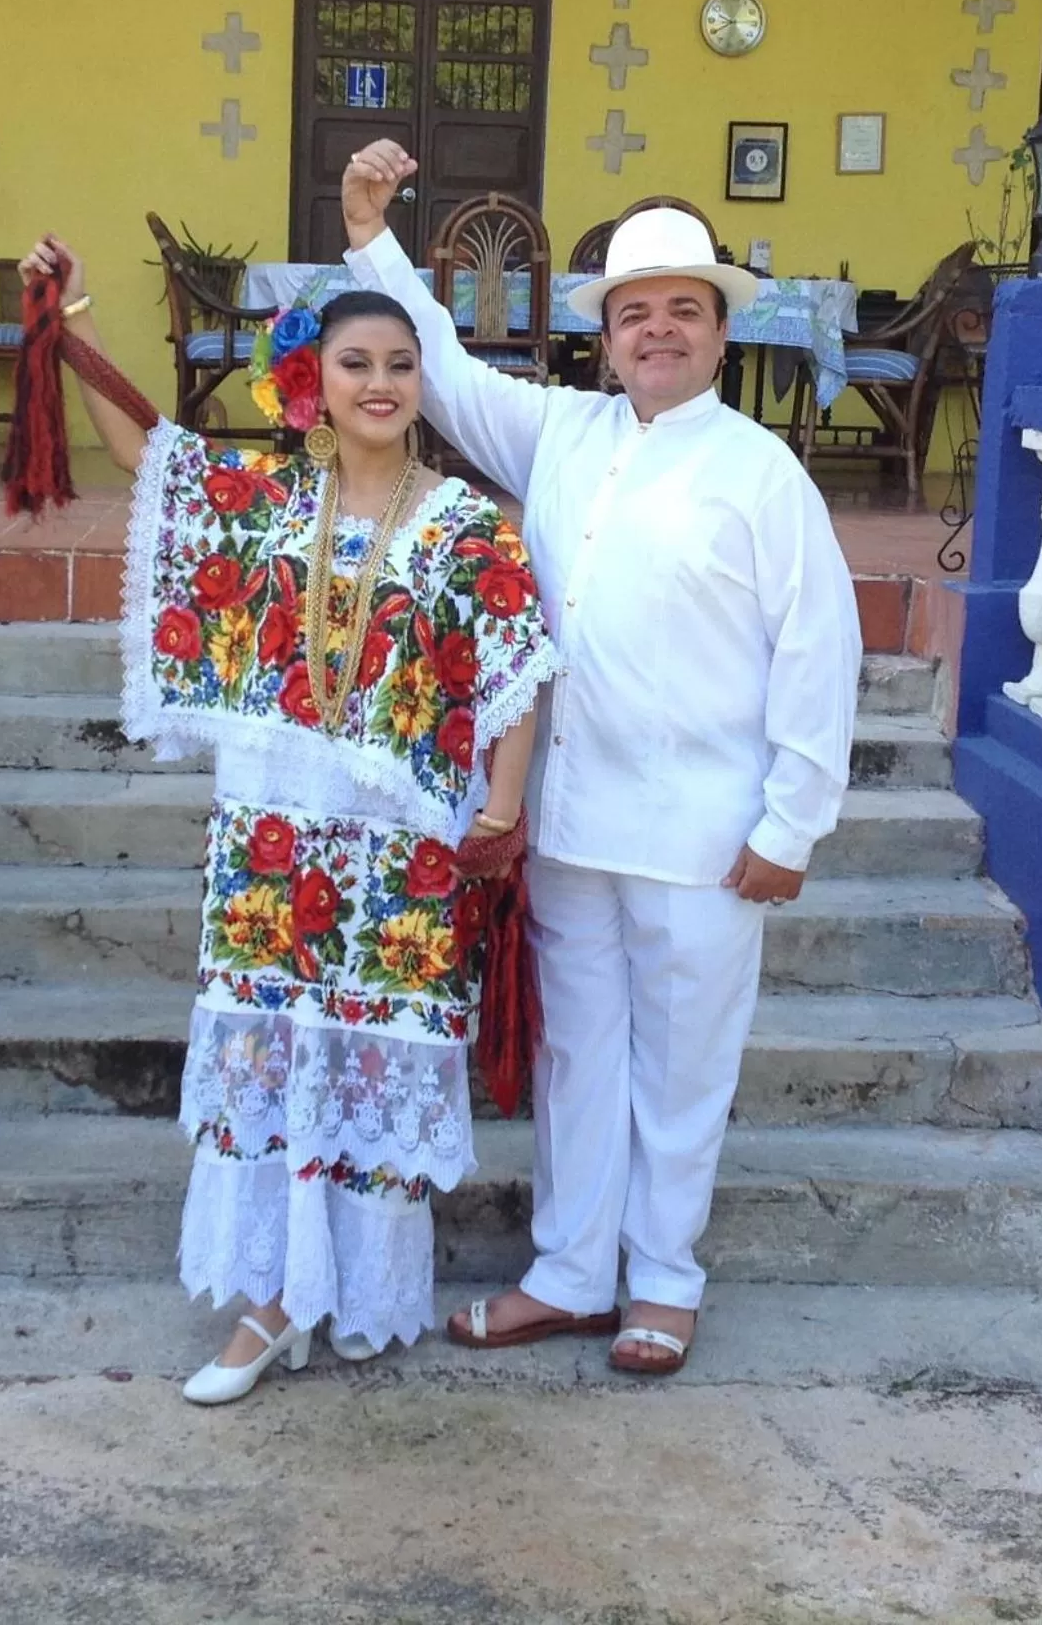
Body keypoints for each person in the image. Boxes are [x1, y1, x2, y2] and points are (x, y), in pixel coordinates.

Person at [338, 145, 862, 1377]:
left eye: (683, 308)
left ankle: (664, 1282)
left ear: (719, 330)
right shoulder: (561, 434)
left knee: (683, 1070)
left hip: (705, 837)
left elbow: (818, 653)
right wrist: (371, 235)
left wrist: (791, 825)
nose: (658, 330)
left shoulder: (761, 471)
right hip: (570, 822)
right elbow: (447, 374)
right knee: (579, 1062)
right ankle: (571, 1273)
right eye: (636, 313)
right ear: (606, 337)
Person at [17, 234, 557, 1405]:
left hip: (407, 847)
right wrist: (75, 320)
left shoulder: (470, 526)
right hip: (270, 836)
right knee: (275, 1055)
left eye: (401, 365)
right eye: (356, 360)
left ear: (421, 383)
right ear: (315, 378)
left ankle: (354, 1292)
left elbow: (519, 667)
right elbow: (146, 455)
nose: (379, 383)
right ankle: (267, 1306)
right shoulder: (264, 504)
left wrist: (502, 812)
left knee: (370, 1053)